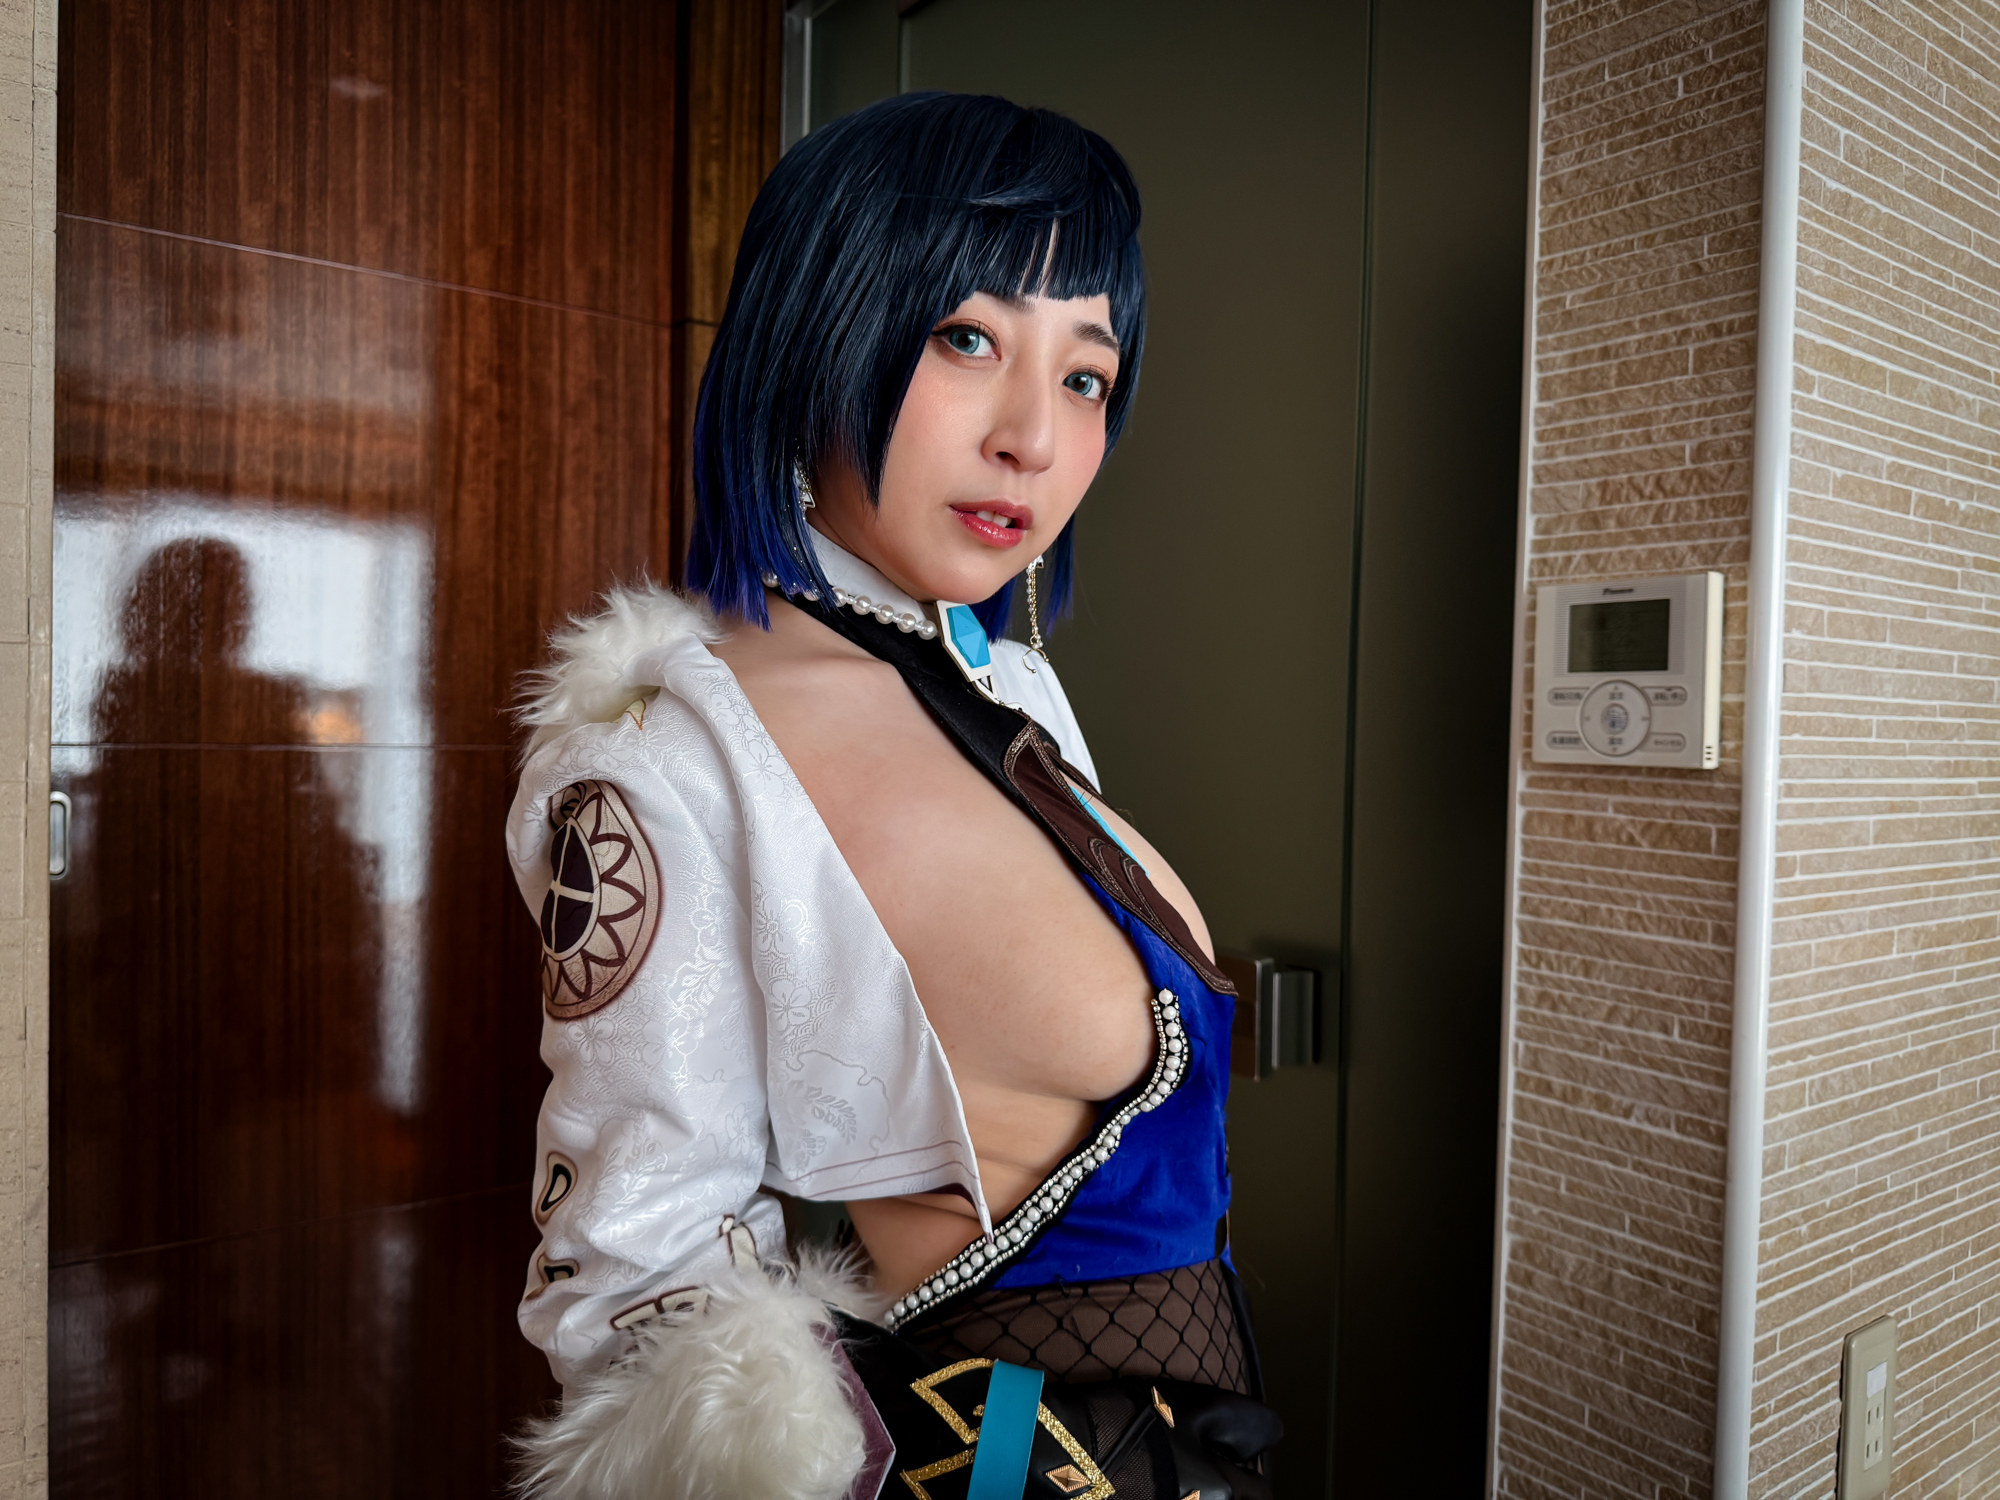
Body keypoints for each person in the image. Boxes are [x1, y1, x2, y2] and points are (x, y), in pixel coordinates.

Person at [508, 92, 1278, 1500]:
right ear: (818, 332)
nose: (1032, 437)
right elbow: (632, 1292)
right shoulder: (671, 757)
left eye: (1086, 375)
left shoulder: (1012, 689)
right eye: (968, 338)